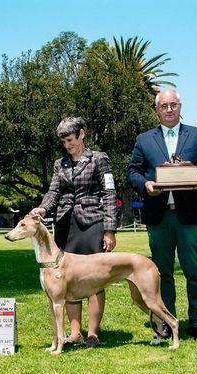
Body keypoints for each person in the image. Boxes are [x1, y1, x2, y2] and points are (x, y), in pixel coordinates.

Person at [127, 89, 197, 341]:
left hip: (190, 216)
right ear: (156, 110)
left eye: (173, 105)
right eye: (164, 106)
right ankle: (166, 323)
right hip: (159, 216)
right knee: (161, 273)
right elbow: (133, 171)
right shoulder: (144, 139)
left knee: (195, 271)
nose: (169, 110)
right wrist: (144, 185)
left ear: (180, 106)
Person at [30, 117, 117, 348]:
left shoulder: (99, 159)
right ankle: (75, 332)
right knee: (66, 280)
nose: (67, 145)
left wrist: (109, 230)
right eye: (64, 142)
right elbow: (53, 192)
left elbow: (109, 194)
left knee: (95, 279)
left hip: (92, 223)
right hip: (65, 225)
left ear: (81, 134)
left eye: (70, 140)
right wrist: (43, 208)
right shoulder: (60, 164)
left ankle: (93, 333)